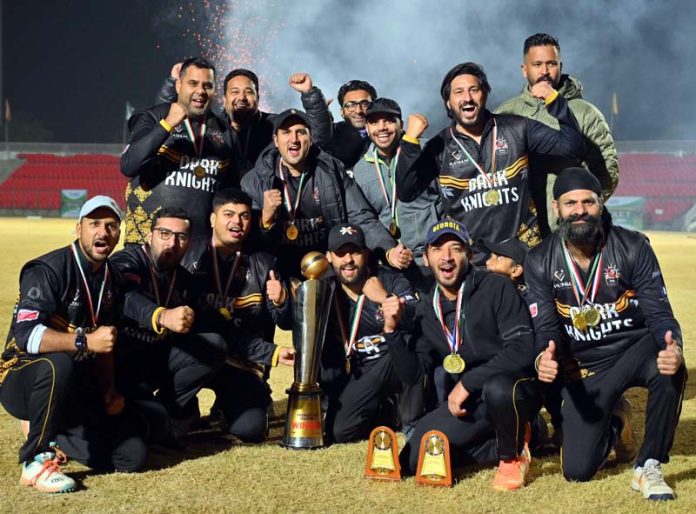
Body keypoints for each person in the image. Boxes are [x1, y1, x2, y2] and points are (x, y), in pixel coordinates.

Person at [525, 167, 686, 500]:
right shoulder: (539, 259)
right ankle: (616, 424)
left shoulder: (632, 246)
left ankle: (649, 466)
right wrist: (544, 354)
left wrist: (675, 346)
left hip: (634, 349)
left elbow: (659, 314)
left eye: (589, 202)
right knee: (576, 471)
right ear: (557, 208)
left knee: (668, 365)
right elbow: (546, 328)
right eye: (570, 203)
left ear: (601, 204)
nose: (580, 210)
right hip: (586, 366)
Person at [0, 196, 146, 493]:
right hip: (21, 376)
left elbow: (104, 343)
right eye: (94, 224)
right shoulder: (48, 269)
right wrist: (83, 340)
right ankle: (36, 461)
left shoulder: (112, 279)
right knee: (60, 361)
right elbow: (26, 336)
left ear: (119, 233)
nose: (102, 232)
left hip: (74, 384)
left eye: (111, 226)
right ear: (78, 228)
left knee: (132, 455)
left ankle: (51, 427)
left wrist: (108, 390)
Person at [388, 219, 541, 491]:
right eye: (437, 249)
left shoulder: (496, 287)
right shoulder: (428, 306)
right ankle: (517, 437)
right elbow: (413, 373)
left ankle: (511, 455)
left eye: (455, 248)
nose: (446, 257)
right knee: (415, 459)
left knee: (498, 387)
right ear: (426, 258)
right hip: (472, 403)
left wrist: (468, 383)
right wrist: (392, 331)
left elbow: (521, 349)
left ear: (469, 255)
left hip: (511, 390)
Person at [395, 62, 585, 263]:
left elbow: (573, 147)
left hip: (525, 258)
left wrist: (555, 100)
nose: (467, 98)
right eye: (458, 92)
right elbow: (407, 192)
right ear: (448, 103)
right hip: (473, 264)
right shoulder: (439, 147)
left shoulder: (518, 128)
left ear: (485, 94)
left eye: (474, 90)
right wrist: (410, 141)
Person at [181, 188, 294, 442]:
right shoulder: (187, 256)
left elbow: (284, 322)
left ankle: (237, 403)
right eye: (228, 214)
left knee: (250, 430)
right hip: (199, 358)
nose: (237, 222)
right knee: (172, 421)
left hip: (243, 365)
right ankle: (182, 408)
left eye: (244, 216)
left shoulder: (264, 263)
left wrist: (281, 301)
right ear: (212, 219)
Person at [241, 108, 410, 278]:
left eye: (301, 132)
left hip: (329, 268)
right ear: (276, 140)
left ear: (311, 138)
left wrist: (389, 249)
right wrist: (266, 220)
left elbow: (361, 217)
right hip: (279, 272)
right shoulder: (255, 182)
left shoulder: (332, 171)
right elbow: (249, 243)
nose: (294, 139)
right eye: (286, 133)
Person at [110, 207, 227, 441]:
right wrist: (161, 316)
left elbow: (211, 322)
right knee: (130, 435)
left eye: (180, 237)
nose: (172, 243)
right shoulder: (127, 261)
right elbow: (124, 296)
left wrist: (271, 353)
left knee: (214, 344)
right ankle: (156, 416)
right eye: (164, 233)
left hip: (156, 358)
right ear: (149, 235)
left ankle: (169, 414)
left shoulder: (182, 279)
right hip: (119, 365)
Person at [496, 33, 619, 236]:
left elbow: (608, 173)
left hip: (569, 233)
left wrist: (579, 216)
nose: (544, 71)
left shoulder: (585, 113)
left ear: (560, 66)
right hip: (520, 235)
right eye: (537, 64)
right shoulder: (506, 113)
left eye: (551, 64)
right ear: (524, 69)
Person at [121, 57, 238, 245]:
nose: (200, 91)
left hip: (198, 249)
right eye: (193, 83)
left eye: (207, 85)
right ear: (178, 85)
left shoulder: (224, 132)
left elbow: (230, 191)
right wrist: (167, 125)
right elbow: (129, 165)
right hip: (146, 243)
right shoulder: (153, 116)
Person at [320, 223, 419, 443]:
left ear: (365, 254)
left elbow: (415, 319)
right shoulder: (325, 289)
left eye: (355, 252)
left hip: (393, 363)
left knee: (412, 343)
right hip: (359, 373)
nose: (348, 260)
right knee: (341, 432)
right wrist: (281, 303)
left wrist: (384, 298)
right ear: (329, 257)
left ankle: (411, 418)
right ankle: (386, 411)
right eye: (340, 253)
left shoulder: (389, 279)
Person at [156, 66, 332, 175]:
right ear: (223, 98)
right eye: (235, 92)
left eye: (248, 92)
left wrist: (309, 94)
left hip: (265, 209)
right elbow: (161, 125)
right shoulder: (210, 126)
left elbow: (319, 136)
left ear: (258, 97)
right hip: (222, 213)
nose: (242, 97)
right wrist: (173, 84)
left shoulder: (274, 125)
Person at [350, 97, 441, 289]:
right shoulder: (360, 170)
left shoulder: (426, 151)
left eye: (389, 120)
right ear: (366, 128)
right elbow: (365, 220)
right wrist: (388, 252)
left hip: (434, 259)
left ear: (401, 124)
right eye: (374, 122)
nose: (382, 127)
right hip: (393, 266)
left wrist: (440, 247)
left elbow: (448, 200)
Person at [323, 80, 378, 169]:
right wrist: (319, 117)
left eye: (365, 104)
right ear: (342, 112)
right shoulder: (330, 135)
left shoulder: (387, 135)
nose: (359, 111)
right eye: (351, 105)